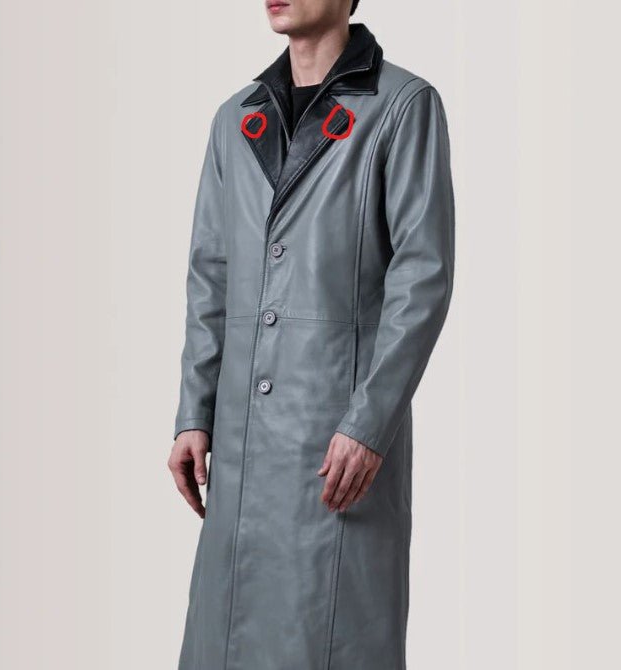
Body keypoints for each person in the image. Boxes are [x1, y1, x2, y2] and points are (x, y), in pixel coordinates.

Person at [167, 1, 456, 668]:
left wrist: (368, 425)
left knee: (329, 637)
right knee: (226, 640)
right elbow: (211, 274)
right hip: (240, 444)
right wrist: (194, 413)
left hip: (333, 443)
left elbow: (423, 277)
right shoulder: (236, 119)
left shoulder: (402, 106)